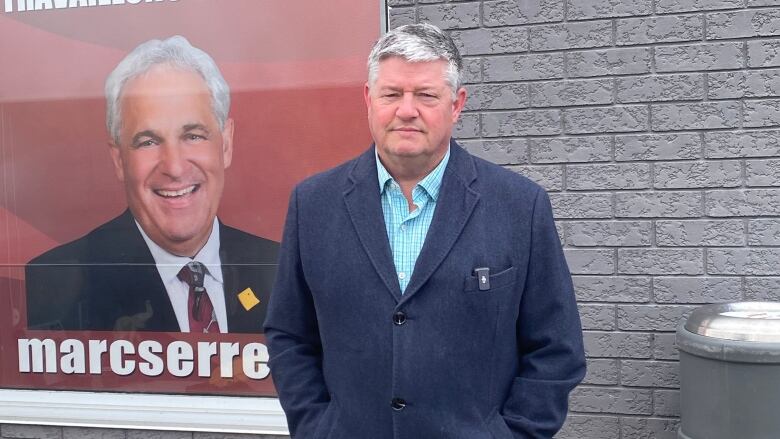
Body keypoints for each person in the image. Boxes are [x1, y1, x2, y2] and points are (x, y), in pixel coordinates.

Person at [265, 23, 585, 438]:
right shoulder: (313, 204)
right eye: (392, 94)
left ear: (457, 104)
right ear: (368, 99)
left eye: (426, 95)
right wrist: (317, 427)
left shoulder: (519, 206)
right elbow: (289, 335)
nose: (406, 110)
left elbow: (556, 348)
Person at [25, 36, 278, 333]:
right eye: (148, 141)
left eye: (193, 135)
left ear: (226, 144)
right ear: (119, 159)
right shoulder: (59, 282)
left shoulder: (281, 268)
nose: (174, 166)